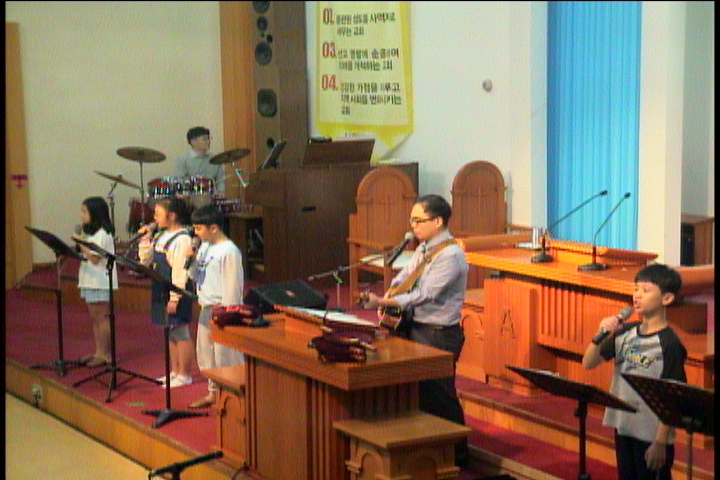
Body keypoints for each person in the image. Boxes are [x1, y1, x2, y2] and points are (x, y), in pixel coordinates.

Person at [361, 194, 469, 466]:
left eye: (418, 220)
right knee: (419, 393)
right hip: (414, 326)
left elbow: (425, 294)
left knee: (440, 395)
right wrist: (390, 293)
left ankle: (458, 455)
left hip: (438, 333)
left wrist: (383, 302)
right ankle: (428, 451)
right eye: (411, 220)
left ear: (438, 221)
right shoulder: (424, 248)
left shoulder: (451, 255)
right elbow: (404, 277)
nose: (413, 226)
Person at [582, 263, 687, 480]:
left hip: (651, 435)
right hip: (624, 427)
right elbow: (588, 362)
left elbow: (673, 398)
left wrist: (660, 442)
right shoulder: (625, 332)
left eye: (645, 290)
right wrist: (601, 333)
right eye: (636, 289)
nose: (637, 295)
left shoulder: (669, 343)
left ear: (667, 298)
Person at [185, 204, 245, 408]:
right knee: (206, 354)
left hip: (222, 309)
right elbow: (194, 275)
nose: (195, 233)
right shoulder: (204, 246)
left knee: (225, 355)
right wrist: (190, 259)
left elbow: (233, 285)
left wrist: (229, 311)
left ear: (213, 227)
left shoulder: (229, 251)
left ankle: (233, 396)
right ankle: (213, 392)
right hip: (206, 307)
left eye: (198, 228)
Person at [137, 197, 196, 388]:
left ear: (172, 216)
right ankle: (175, 371)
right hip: (160, 288)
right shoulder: (161, 235)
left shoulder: (182, 239)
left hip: (175, 290)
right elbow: (145, 260)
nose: (154, 218)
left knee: (180, 330)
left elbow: (180, 271)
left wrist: (175, 298)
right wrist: (144, 239)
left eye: (158, 214)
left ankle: (185, 374)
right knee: (169, 330)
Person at [72, 196, 119, 368]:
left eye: (85, 211)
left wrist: (79, 242)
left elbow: (95, 257)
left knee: (101, 318)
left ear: (95, 213)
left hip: (100, 280)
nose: (82, 215)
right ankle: (98, 351)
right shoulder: (92, 233)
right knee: (95, 319)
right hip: (90, 278)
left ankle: (106, 354)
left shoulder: (103, 234)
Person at [174, 126, 226, 194]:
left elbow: (220, 179)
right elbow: (179, 180)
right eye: (204, 139)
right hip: (190, 196)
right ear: (193, 141)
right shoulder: (182, 159)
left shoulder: (215, 158)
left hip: (210, 196)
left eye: (209, 138)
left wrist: (221, 192)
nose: (208, 141)